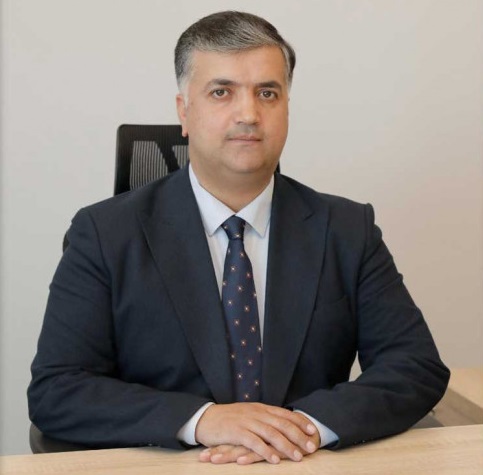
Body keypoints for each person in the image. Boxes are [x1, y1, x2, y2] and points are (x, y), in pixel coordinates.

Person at [28, 11, 449, 465]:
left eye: (267, 93)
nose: (249, 114)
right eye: (221, 92)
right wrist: (203, 420)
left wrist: (298, 428)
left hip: (304, 464)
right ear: (184, 111)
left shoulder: (347, 229)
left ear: (287, 108)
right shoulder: (104, 234)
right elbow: (58, 389)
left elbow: (415, 367)